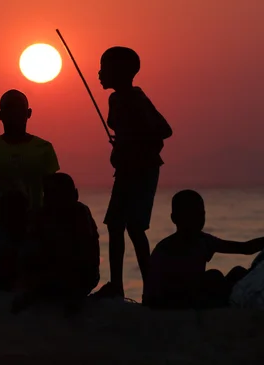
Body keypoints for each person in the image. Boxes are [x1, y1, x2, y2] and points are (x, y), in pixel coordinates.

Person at [93, 47, 173, 298]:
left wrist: (132, 143)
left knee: (135, 229)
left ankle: (150, 288)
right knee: (115, 225)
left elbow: (163, 130)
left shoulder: (136, 98)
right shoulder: (114, 99)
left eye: (104, 68)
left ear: (120, 72)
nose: (99, 73)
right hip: (127, 170)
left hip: (142, 171)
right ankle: (116, 285)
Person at [142, 189, 264, 309]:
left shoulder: (204, 241)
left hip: (198, 295)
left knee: (239, 272)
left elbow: (244, 248)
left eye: (200, 215)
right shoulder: (165, 248)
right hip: (179, 300)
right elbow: (154, 292)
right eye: (191, 215)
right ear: (175, 218)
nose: (197, 220)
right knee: (214, 276)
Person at [0, 89, 60, 290]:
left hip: (36, 231)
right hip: (2, 232)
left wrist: (52, 236)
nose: (14, 116)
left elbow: (55, 197)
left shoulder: (44, 149)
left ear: (28, 113)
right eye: (9, 111)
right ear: (0, 115)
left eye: (19, 111)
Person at [12, 173, 100, 314]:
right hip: (53, 276)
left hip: (77, 277)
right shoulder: (42, 216)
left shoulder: (81, 214)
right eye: (49, 194)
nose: (51, 199)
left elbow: (87, 256)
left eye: (58, 194)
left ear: (74, 195)